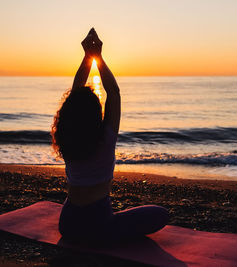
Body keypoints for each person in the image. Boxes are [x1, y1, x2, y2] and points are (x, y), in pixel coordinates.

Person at [51, 28, 169, 244]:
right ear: (97, 115)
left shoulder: (67, 138)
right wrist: (98, 57)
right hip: (99, 227)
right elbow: (113, 92)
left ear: (68, 115)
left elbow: (76, 93)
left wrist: (87, 58)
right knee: (160, 214)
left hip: (67, 225)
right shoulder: (105, 139)